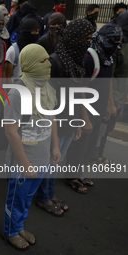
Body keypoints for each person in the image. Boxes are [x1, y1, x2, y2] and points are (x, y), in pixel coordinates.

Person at [2, 43, 60, 250]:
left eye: (47, 59)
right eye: (42, 61)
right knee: (16, 199)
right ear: (29, 64)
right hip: (24, 162)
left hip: (42, 157)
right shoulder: (18, 93)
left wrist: (55, 147)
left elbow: (51, 117)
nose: (48, 64)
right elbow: (10, 131)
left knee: (26, 199)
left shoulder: (46, 87)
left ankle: (18, 226)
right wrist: (25, 164)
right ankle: (9, 231)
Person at [65, 24, 122, 191]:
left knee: (89, 145)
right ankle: (71, 176)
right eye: (113, 41)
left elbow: (108, 81)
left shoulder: (107, 57)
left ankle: (79, 172)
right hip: (86, 111)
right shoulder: (90, 57)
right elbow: (80, 88)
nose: (116, 45)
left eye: (118, 42)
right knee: (79, 145)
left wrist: (109, 104)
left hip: (98, 110)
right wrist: (85, 119)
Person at [48, 19, 94, 194]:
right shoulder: (55, 61)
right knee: (51, 160)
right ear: (74, 37)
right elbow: (49, 101)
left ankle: (48, 193)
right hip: (56, 121)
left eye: (90, 39)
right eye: (85, 39)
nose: (88, 43)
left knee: (58, 160)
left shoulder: (77, 59)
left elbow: (78, 91)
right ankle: (45, 196)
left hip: (71, 120)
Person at [95, 11, 128, 166]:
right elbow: (108, 74)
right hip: (110, 95)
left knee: (107, 129)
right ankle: (95, 156)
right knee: (101, 128)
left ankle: (96, 154)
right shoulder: (115, 44)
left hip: (121, 95)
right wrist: (110, 103)